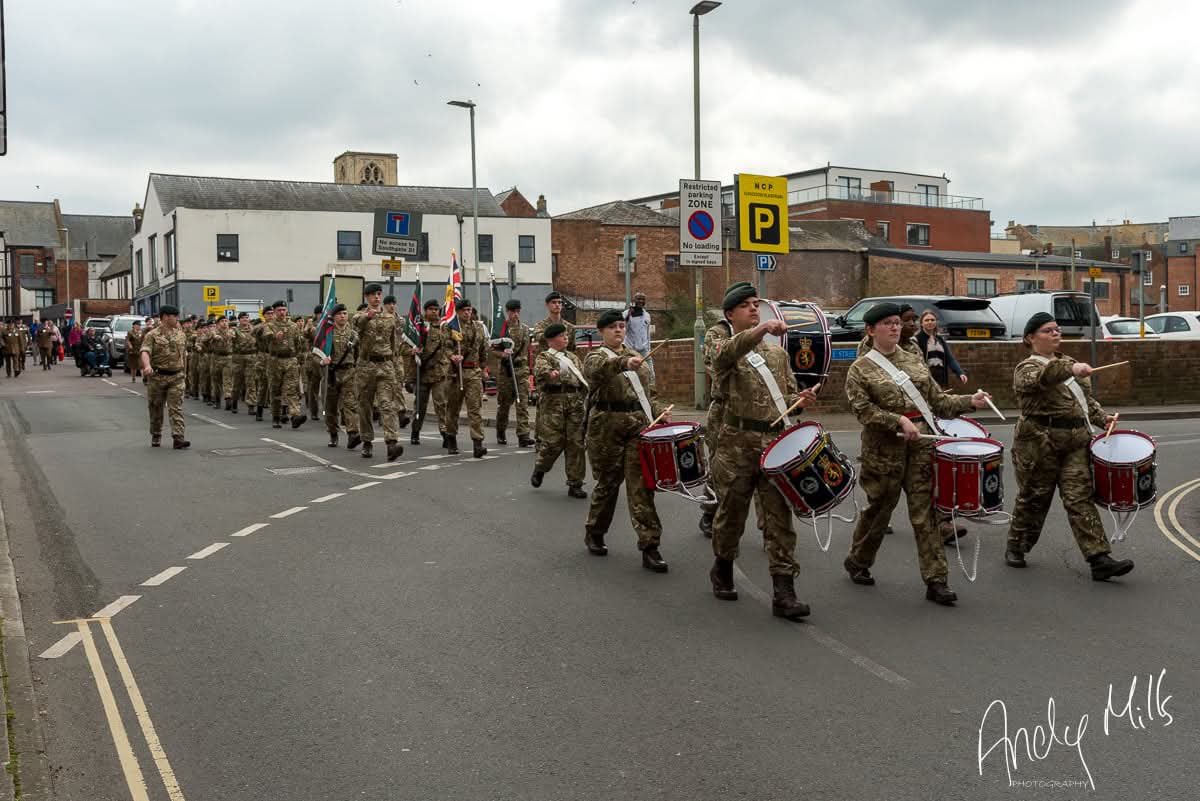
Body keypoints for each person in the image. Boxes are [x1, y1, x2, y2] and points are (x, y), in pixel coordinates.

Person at [843, 302, 991, 606]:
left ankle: (936, 580)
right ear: (871, 331)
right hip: (883, 450)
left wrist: (970, 401)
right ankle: (858, 559)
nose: (895, 327)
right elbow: (863, 410)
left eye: (897, 322)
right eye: (887, 323)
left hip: (921, 446)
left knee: (926, 514)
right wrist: (896, 419)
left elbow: (938, 401)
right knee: (880, 511)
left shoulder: (913, 360)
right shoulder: (860, 369)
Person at [708, 283, 818, 619]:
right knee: (731, 514)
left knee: (779, 519)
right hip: (735, 443)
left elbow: (785, 398)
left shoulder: (777, 353)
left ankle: (784, 590)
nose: (754, 309)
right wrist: (759, 331)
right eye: (746, 306)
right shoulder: (720, 344)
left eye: (756, 304)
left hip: (773, 445)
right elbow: (724, 356)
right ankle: (722, 566)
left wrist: (801, 401)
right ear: (730, 314)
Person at [1004, 312, 1134, 580]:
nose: (1055, 333)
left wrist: (1102, 418)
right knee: (1034, 498)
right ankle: (1017, 545)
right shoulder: (1027, 368)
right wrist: (1071, 369)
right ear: (1030, 338)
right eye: (1048, 330)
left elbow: (1084, 402)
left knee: (1080, 498)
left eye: (1057, 329)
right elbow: (1044, 378)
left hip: (1075, 441)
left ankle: (1099, 558)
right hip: (1040, 443)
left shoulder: (1069, 363)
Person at [582, 309, 669, 571]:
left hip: (636, 427)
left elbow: (648, 393)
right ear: (602, 332)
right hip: (606, 427)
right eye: (612, 327)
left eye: (621, 326)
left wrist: (659, 410)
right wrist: (622, 364)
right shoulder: (595, 356)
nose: (619, 330)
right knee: (608, 484)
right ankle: (595, 531)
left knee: (641, 486)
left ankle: (650, 545)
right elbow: (597, 372)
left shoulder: (635, 357)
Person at [531, 322, 587, 498]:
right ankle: (541, 467)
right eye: (562, 336)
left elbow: (582, 377)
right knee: (553, 443)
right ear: (551, 340)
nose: (566, 338)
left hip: (574, 404)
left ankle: (575, 483)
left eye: (566, 335)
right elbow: (540, 370)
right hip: (553, 404)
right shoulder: (544, 356)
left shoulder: (573, 357)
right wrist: (551, 374)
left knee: (576, 443)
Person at [351, 284, 404, 461]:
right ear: (366, 297)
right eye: (373, 295)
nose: (377, 297)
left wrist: (395, 366)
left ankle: (391, 443)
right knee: (365, 406)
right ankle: (367, 441)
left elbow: (394, 343)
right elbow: (357, 324)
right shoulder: (360, 315)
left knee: (387, 404)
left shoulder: (391, 317)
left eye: (379, 294)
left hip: (386, 365)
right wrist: (368, 316)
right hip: (366, 366)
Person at [442, 299, 488, 458]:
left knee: (475, 409)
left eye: (469, 310)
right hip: (457, 372)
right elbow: (446, 346)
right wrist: (452, 356)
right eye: (464, 310)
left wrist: (483, 368)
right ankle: (451, 439)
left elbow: (483, 349)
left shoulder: (478, 327)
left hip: (473, 372)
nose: (467, 313)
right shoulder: (451, 327)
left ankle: (478, 443)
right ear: (458, 311)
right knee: (453, 408)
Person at [140, 305, 189, 449]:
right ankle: (156, 434)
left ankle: (178, 437)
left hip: (177, 377)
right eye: (175, 316)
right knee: (156, 407)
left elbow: (184, 355)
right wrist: (147, 366)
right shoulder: (152, 335)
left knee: (176, 407)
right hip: (158, 377)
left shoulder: (181, 334)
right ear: (166, 317)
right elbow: (145, 351)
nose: (177, 319)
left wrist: (185, 373)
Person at [490, 299, 533, 447]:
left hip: (521, 369)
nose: (515, 314)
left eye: (517, 311)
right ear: (507, 312)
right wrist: (501, 355)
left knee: (523, 403)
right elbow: (492, 349)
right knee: (504, 405)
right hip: (505, 370)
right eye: (512, 311)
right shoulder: (501, 329)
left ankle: (523, 435)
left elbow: (527, 350)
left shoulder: (525, 329)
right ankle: (501, 431)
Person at [412, 299, 452, 447]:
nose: (434, 312)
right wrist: (413, 351)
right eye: (431, 309)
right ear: (425, 311)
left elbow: (449, 347)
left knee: (441, 404)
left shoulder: (444, 327)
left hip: (438, 372)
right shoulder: (418, 327)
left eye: (436, 309)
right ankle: (415, 432)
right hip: (422, 372)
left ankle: (445, 434)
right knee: (420, 406)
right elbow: (404, 347)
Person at [320, 304, 361, 449]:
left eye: (345, 313)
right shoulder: (326, 333)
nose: (343, 316)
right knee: (330, 407)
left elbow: (358, 354)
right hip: (331, 373)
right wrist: (322, 361)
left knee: (350, 405)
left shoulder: (353, 334)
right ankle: (333, 433)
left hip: (349, 373)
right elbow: (315, 353)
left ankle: (352, 434)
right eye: (339, 314)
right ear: (334, 316)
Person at [264, 301, 307, 429]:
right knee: (275, 389)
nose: (282, 312)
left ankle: (295, 415)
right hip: (275, 361)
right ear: (275, 311)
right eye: (279, 310)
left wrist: (299, 358)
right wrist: (274, 336)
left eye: (284, 310)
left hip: (290, 360)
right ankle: (276, 417)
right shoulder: (270, 325)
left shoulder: (293, 326)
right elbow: (265, 336)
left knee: (291, 389)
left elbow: (299, 343)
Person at [916, 310, 967, 389]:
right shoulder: (917, 339)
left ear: (936, 322)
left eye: (932, 320)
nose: (930, 322)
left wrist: (960, 373)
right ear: (921, 323)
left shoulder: (940, 339)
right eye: (926, 320)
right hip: (926, 380)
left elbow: (949, 358)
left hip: (941, 380)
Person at [622, 291, 653, 380]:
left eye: (643, 299)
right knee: (632, 376)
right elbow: (624, 329)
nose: (641, 301)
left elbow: (647, 333)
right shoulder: (626, 313)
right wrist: (628, 316)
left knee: (650, 374)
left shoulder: (647, 315)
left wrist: (648, 348)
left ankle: (651, 391)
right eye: (638, 299)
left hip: (644, 350)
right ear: (634, 300)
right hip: (630, 350)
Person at [230, 313, 257, 412]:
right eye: (242, 318)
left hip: (251, 357)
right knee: (237, 381)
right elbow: (230, 336)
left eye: (246, 317)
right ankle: (234, 402)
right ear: (239, 320)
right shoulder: (235, 330)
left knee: (251, 382)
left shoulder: (254, 330)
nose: (245, 319)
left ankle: (251, 405)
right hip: (238, 358)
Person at [208, 316, 234, 410]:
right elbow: (205, 339)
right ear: (218, 323)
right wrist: (214, 337)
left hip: (228, 357)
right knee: (216, 380)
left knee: (227, 379)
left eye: (226, 321)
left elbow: (234, 337)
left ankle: (228, 398)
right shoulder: (213, 331)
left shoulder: (231, 331)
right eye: (222, 321)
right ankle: (217, 400)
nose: (224, 323)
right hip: (216, 358)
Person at [304, 305, 325, 423]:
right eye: (321, 313)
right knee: (314, 387)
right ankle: (314, 412)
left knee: (328, 388)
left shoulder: (329, 325)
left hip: (327, 358)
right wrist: (309, 327)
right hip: (314, 359)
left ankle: (326, 412)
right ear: (317, 314)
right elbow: (307, 334)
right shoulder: (312, 326)